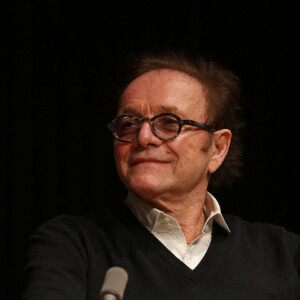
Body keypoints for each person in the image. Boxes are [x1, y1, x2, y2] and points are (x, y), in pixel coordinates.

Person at [22, 51, 300, 299]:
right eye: (128, 123)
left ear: (217, 149)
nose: (143, 137)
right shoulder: (72, 245)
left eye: (170, 123)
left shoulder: (284, 253)